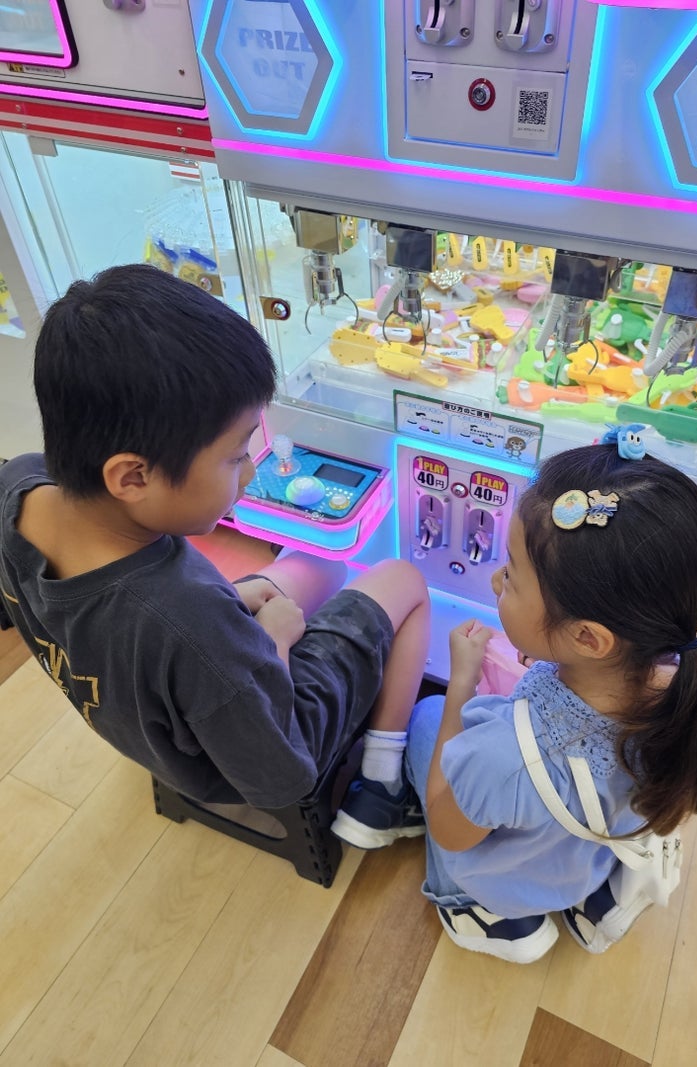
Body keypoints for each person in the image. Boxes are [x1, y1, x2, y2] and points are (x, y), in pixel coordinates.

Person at [0, 263, 430, 848]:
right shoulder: (188, 619)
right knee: (402, 578)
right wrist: (273, 643)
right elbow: (280, 779)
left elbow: (122, 620)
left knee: (324, 564)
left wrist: (231, 607)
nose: (249, 473)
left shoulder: (21, 483)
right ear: (133, 477)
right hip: (261, 748)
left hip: (150, 724)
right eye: (235, 456)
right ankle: (381, 786)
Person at [405, 435, 697, 964]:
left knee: (428, 718)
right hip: (586, 860)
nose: (495, 579)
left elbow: (450, 832)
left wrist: (461, 686)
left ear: (588, 638)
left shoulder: (504, 758)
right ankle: (596, 901)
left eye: (511, 574)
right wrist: (551, 653)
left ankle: (487, 917)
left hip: (512, 879)